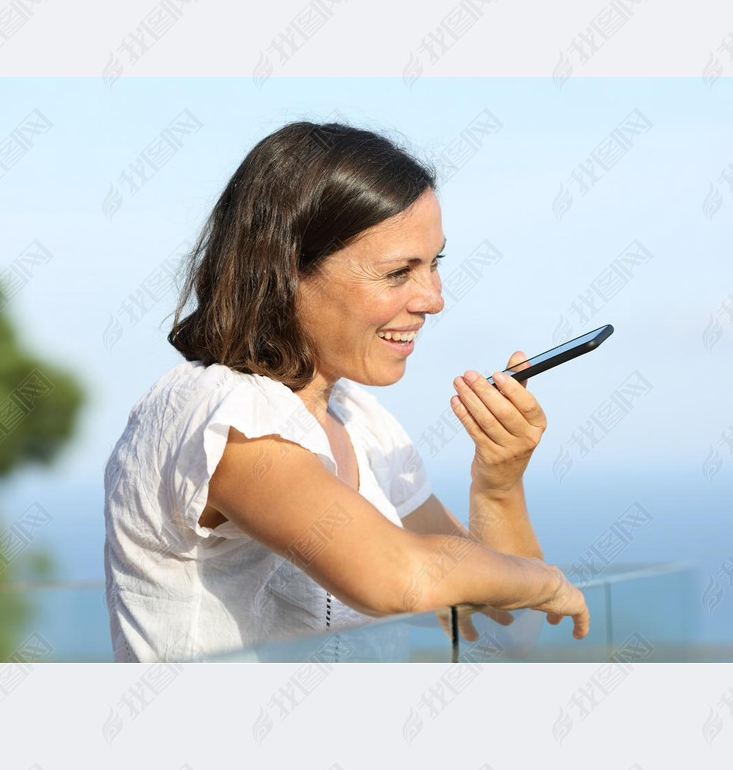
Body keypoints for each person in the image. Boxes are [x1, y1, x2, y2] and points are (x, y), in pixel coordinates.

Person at [103, 121, 589, 662]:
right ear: (286, 270)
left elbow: (505, 626)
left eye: (434, 264)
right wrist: (547, 582)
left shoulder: (363, 424)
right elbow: (397, 577)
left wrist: (498, 486)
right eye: (398, 272)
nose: (434, 299)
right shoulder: (219, 411)